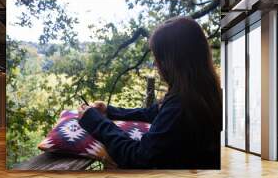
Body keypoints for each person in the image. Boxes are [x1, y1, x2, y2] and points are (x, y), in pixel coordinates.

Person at [78, 17, 222, 169]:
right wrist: (109, 111)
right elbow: (153, 112)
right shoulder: (203, 93)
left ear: (171, 61)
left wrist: (96, 122)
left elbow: (139, 158)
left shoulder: (180, 107)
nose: (155, 63)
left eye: (157, 57)